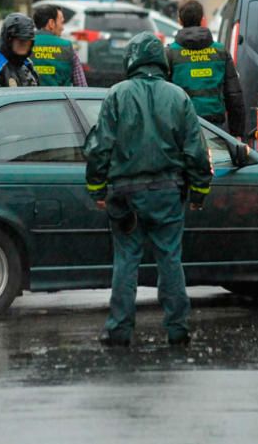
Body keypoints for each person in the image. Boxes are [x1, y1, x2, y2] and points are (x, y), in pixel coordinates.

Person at [84, 32, 212, 347]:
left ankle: (119, 329)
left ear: (132, 59)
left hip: (126, 195)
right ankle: (177, 328)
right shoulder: (179, 96)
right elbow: (195, 150)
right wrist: (199, 192)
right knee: (170, 259)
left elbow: (100, 148)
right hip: (169, 193)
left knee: (126, 260)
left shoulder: (117, 94)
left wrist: (97, 190)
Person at [166, 0, 245, 138]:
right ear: (203, 20)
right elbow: (233, 95)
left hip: (182, 126)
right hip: (214, 127)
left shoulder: (171, 53)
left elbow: (162, 95)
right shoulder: (220, 52)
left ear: (179, 21)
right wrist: (236, 132)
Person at [32, 4, 87, 87]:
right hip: (60, 99)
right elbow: (81, 87)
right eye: (61, 22)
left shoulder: (25, 45)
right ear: (51, 23)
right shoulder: (67, 47)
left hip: (31, 99)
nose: (63, 28)